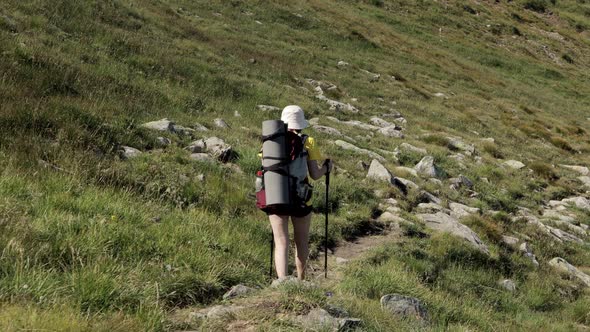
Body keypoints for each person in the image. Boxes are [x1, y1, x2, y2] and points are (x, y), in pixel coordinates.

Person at [268, 105, 332, 281]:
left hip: (275, 195)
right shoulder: (308, 141)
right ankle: (301, 280)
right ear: (301, 123)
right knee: (301, 240)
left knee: (281, 241)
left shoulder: (271, 142)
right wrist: (326, 168)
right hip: (301, 197)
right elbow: (315, 174)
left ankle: (282, 282)